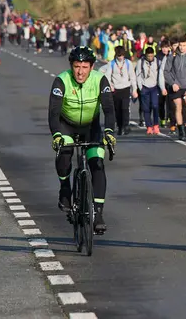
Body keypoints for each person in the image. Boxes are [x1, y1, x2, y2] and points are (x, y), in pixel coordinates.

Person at [48, 46, 117, 235]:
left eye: (85, 67)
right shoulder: (61, 80)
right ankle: (64, 188)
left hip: (91, 127)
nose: (80, 71)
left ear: (92, 66)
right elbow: (54, 113)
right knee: (64, 154)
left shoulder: (99, 80)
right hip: (67, 125)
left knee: (97, 164)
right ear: (71, 66)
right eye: (77, 66)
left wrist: (109, 132)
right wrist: (57, 135)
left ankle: (98, 213)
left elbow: (109, 109)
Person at [164, 36, 186, 140]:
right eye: (180, 45)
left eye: (184, 45)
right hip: (176, 87)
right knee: (178, 107)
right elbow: (166, 71)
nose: (182, 48)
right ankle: (180, 130)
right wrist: (172, 83)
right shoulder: (172, 56)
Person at [100, 46, 138, 136]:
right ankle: (120, 126)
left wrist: (134, 89)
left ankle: (126, 126)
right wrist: (110, 86)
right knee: (117, 109)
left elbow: (132, 77)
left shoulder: (128, 63)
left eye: (122, 56)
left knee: (125, 108)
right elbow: (108, 76)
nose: (120, 57)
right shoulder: (112, 64)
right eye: (118, 56)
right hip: (116, 90)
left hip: (126, 88)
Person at [136, 46, 161, 135]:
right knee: (146, 108)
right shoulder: (141, 62)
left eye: (151, 56)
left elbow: (160, 75)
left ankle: (156, 125)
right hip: (145, 87)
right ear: (145, 55)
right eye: (148, 56)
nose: (150, 58)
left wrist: (161, 87)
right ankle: (149, 126)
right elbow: (138, 75)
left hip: (154, 87)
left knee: (155, 106)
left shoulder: (158, 62)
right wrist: (140, 87)